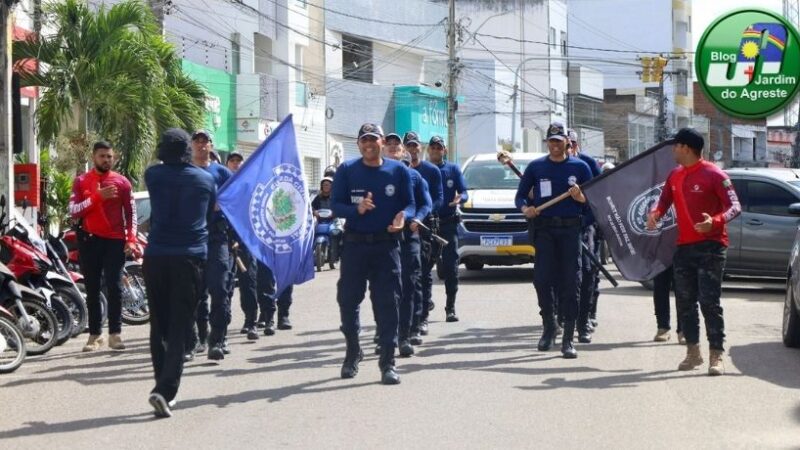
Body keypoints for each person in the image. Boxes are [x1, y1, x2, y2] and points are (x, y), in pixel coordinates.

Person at [647, 128, 741, 376]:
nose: (673, 150)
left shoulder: (714, 174)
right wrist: (655, 213)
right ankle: (693, 352)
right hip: (684, 247)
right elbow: (664, 201)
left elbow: (735, 206)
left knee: (709, 302)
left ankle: (716, 355)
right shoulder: (675, 175)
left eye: (676, 146)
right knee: (685, 302)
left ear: (686, 148)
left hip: (712, 246)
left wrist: (715, 221)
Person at [331, 123, 415, 385]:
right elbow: (335, 205)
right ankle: (353, 351)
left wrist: (404, 217)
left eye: (373, 139)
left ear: (382, 142)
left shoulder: (398, 170)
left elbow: (410, 203)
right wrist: (356, 210)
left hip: (386, 246)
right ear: (358, 144)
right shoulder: (347, 170)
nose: (368, 144)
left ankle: (387, 363)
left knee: (388, 303)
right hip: (354, 245)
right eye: (364, 140)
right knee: (348, 301)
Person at [144, 128, 216, 418]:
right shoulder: (206, 179)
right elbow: (208, 217)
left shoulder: (153, 175)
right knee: (179, 326)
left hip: (156, 256)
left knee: (158, 324)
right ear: (188, 149)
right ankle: (165, 391)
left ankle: (161, 384)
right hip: (190, 257)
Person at [515, 122, 593, 359]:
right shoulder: (536, 167)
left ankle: (568, 338)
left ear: (567, 142)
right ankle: (549, 326)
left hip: (570, 231)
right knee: (542, 280)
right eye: (552, 141)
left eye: (559, 141)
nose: (555, 145)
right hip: (545, 231)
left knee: (571, 283)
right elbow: (520, 196)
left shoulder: (580, 168)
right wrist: (525, 209)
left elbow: (593, 203)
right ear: (547, 142)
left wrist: (581, 199)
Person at [68, 141, 137, 352]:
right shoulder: (81, 181)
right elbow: (74, 210)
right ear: (94, 157)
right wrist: (97, 197)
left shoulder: (122, 182)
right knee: (92, 288)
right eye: (102, 156)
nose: (106, 160)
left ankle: (115, 334)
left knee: (115, 286)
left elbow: (131, 213)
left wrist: (131, 239)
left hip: (115, 241)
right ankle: (95, 334)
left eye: (109, 156)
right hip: (89, 240)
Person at [383, 132, 432, 357]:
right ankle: (386, 335)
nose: (393, 147)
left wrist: (416, 219)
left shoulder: (415, 176)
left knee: (409, 285)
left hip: (409, 236)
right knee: (385, 289)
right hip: (384, 238)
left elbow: (425, 204)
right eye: (389, 144)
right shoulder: (375, 175)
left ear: (404, 151)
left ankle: (407, 332)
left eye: (397, 144)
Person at [189, 130, 234, 361]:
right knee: (195, 293)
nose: (201, 145)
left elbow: (236, 198)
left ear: (211, 145)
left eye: (204, 141)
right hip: (193, 239)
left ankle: (218, 339)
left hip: (217, 238)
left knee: (219, 288)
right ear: (191, 145)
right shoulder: (186, 172)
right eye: (197, 141)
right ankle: (198, 338)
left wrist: (222, 206)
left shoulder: (221, 172)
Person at [404, 131, 443, 338]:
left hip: (425, 226)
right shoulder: (398, 170)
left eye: (415, 145)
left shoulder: (431, 171)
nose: (412, 149)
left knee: (424, 273)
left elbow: (437, 199)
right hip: (403, 228)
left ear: (421, 148)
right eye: (408, 145)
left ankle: (422, 317)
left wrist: (422, 216)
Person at [426, 135, 468, 322]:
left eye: (439, 148)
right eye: (433, 147)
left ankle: (450, 307)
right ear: (428, 150)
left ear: (445, 150)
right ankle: (425, 302)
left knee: (451, 267)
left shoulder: (453, 169)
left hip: (449, 223)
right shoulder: (423, 169)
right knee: (425, 265)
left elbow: (464, 191)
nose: (436, 150)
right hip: (428, 223)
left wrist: (461, 198)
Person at [567, 129, 601, 343]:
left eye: (571, 144)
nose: (567, 148)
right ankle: (563, 315)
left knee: (589, 273)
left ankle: (587, 316)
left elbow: (600, 195)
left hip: (586, 225)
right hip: (563, 228)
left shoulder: (587, 164)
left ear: (576, 145)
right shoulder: (550, 166)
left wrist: (588, 220)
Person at [652, 266, 684, 343]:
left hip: (681, 258)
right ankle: (662, 328)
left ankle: (683, 330)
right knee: (660, 288)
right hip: (660, 260)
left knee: (682, 290)